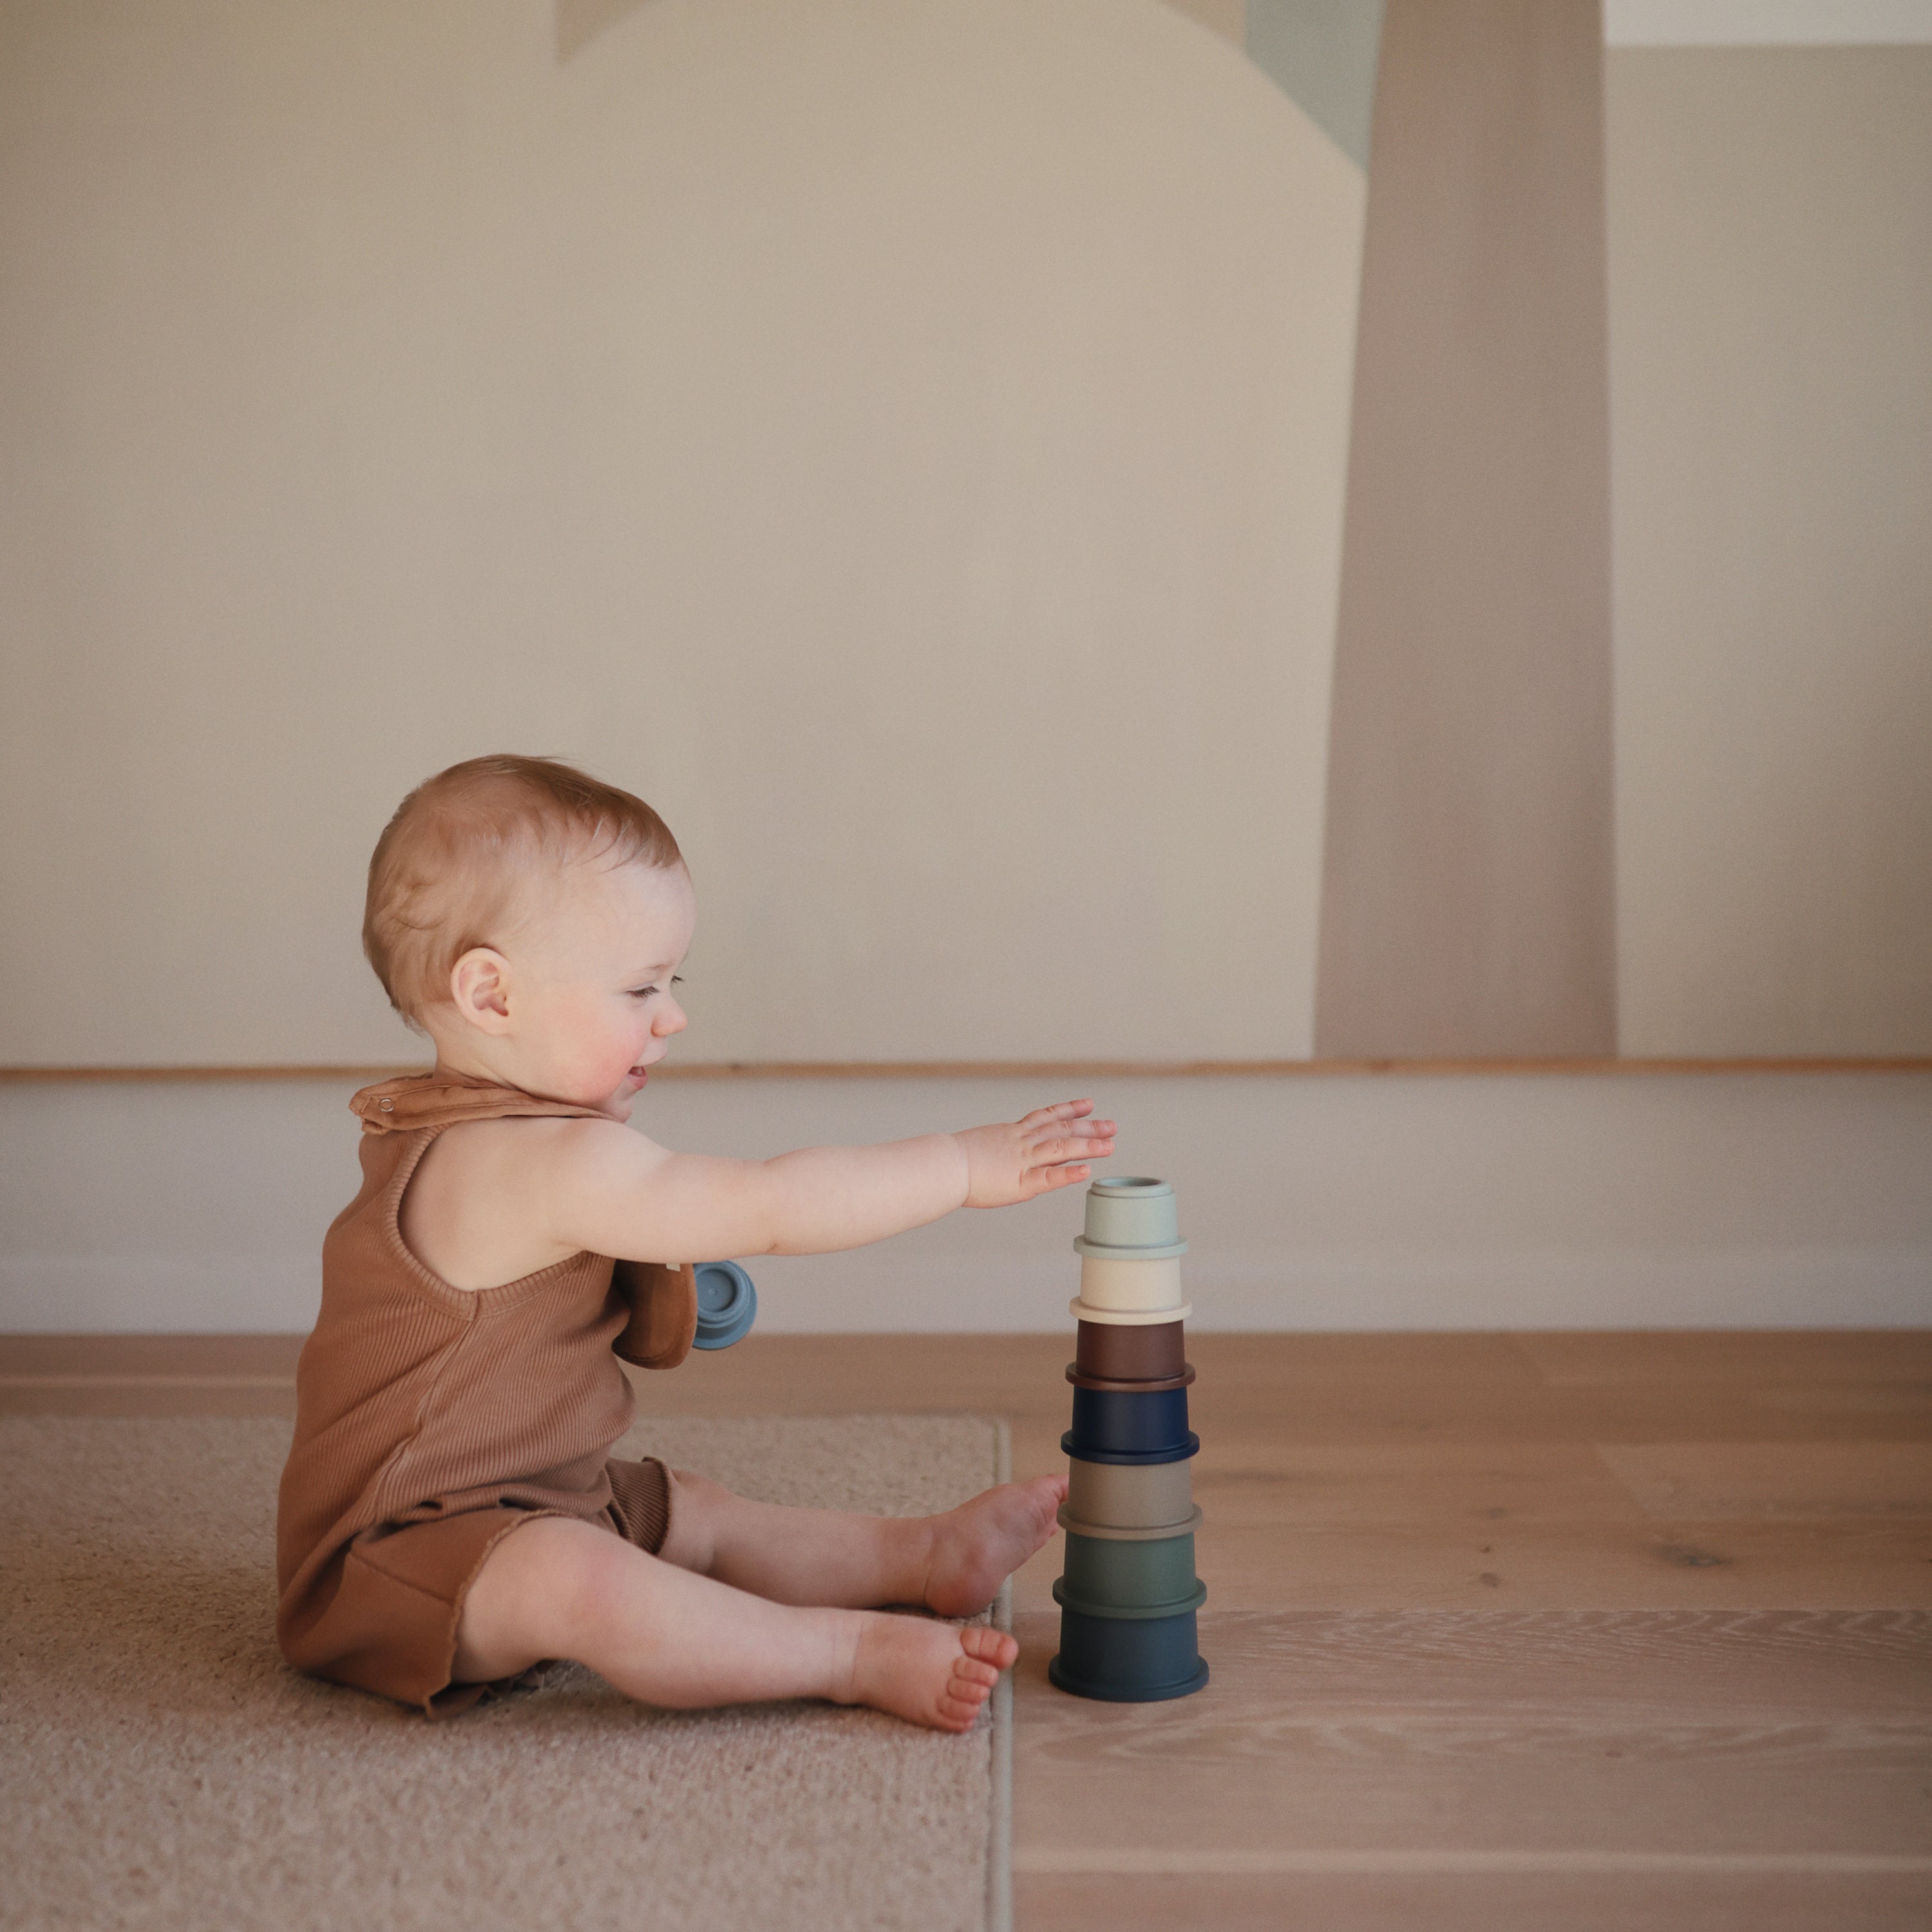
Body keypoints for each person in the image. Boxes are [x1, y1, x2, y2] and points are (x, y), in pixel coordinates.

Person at [276, 753, 1113, 1728]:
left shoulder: (497, 1131)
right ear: (493, 996)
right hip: (392, 1563)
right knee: (582, 1577)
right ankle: (844, 1652)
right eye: (640, 989)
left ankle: (920, 1556)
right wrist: (962, 1167)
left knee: (694, 1514)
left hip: (538, 1497)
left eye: (675, 979)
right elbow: (766, 1204)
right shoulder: (520, 1164)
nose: (675, 1015)